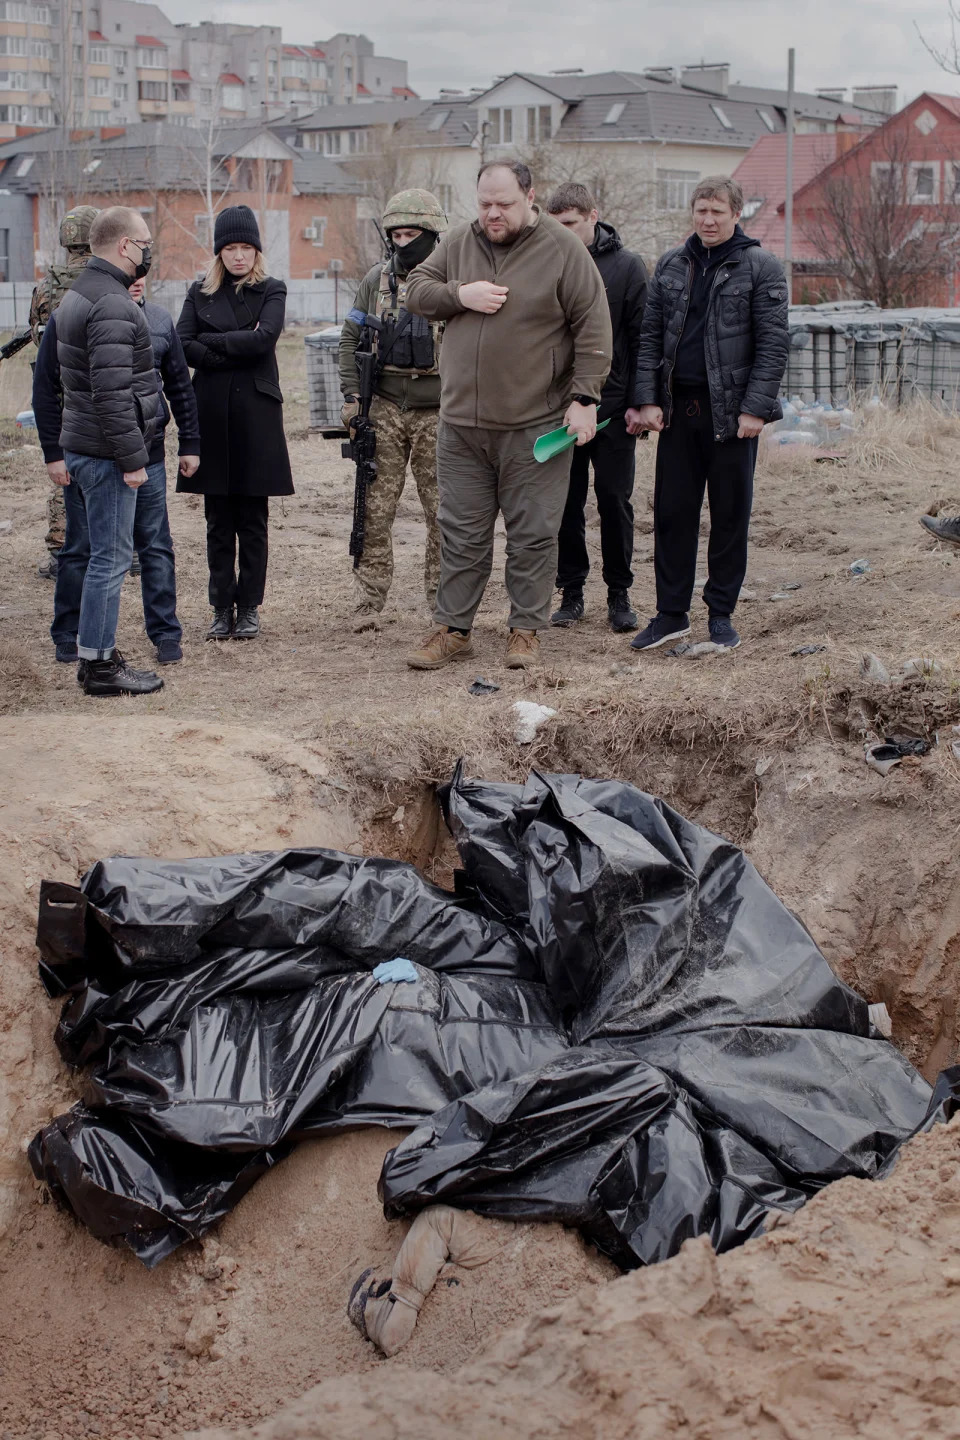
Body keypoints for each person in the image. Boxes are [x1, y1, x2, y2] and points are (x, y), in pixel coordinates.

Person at [403, 160, 612, 671]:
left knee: (533, 533)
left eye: (504, 204)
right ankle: (454, 629)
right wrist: (460, 295)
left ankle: (525, 630)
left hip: (533, 425)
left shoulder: (563, 250)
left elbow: (593, 328)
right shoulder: (459, 242)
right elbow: (415, 290)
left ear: (529, 197)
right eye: (485, 204)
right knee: (461, 532)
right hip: (462, 427)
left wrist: (585, 399)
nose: (493, 214)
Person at [626, 175, 789, 653]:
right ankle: (671, 615)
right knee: (673, 515)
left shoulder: (760, 267)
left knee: (729, 516)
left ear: (737, 214)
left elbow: (773, 344)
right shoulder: (672, 265)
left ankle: (720, 615)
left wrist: (756, 408)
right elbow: (650, 336)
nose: (708, 219)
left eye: (718, 211)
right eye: (701, 210)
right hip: (678, 413)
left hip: (733, 417)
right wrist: (647, 398)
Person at [33, 277, 200, 669]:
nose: (137, 282)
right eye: (129, 274)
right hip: (91, 456)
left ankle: (164, 633)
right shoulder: (67, 319)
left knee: (156, 544)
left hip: (150, 454)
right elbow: (45, 388)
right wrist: (53, 453)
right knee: (82, 546)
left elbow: (178, 386)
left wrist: (190, 441)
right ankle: (67, 633)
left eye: (143, 272)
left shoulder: (159, 320)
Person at [54, 205, 165, 697]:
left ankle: (92, 654)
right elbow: (113, 393)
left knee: (102, 554)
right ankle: (100, 667)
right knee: (111, 559)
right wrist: (134, 460)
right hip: (105, 452)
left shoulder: (80, 293)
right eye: (145, 243)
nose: (149, 251)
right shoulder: (113, 303)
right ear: (125, 246)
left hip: (83, 443)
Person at [176, 204, 293, 641]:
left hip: (256, 416)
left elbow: (265, 340)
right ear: (219, 252)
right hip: (210, 414)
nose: (239, 256)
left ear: (256, 251)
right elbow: (183, 343)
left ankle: (249, 609)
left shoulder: (272, 290)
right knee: (217, 519)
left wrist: (214, 344)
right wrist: (232, 348)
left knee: (253, 519)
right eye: (231, 248)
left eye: (246, 247)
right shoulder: (199, 292)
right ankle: (220, 608)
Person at [339, 189, 448, 627]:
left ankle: (444, 603)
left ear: (432, 235)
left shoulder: (451, 278)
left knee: (443, 512)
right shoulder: (375, 281)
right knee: (373, 508)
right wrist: (351, 399)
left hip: (438, 410)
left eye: (413, 234)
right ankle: (369, 601)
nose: (404, 242)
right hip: (383, 408)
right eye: (397, 234)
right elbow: (349, 339)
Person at [545, 182, 648, 633]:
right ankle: (571, 592)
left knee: (613, 501)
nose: (564, 233)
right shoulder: (546, 262)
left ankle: (619, 594)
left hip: (613, 406)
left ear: (593, 216)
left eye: (570, 224)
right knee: (565, 503)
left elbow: (644, 340)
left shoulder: (627, 268)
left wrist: (641, 404)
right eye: (556, 226)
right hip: (557, 408)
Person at [26, 205, 99, 582]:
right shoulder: (112, 278)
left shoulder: (46, 286)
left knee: (65, 471)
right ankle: (127, 549)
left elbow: (38, 335)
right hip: (104, 389)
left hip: (59, 391)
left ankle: (59, 550)